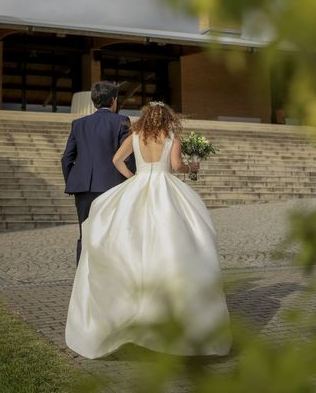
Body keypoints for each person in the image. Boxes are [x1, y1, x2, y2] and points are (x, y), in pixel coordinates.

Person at [65, 101, 232, 359]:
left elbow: (116, 160)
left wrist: (133, 178)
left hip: (138, 186)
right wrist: (192, 167)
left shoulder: (134, 135)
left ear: (145, 117)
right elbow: (176, 166)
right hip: (166, 190)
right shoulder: (172, 136)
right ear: (167, 118)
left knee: (130, 244)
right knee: (173, 245)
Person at [61, 81, 134, 265]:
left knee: (85, 234)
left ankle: (82, 279)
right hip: (112, 187)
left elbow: (66, 158)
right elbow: (127, 157)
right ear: (113, 100)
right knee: (111, 234)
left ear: (94, 101)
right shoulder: (121, 120)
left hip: (82, 188)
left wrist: (73, 181)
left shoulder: (78, 124)